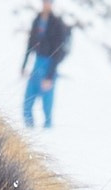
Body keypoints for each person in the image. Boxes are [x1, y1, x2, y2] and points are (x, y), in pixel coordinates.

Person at [20, 0, 70, 128]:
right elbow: (30, 44)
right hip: (37, 62)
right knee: (27, 103)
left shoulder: (57, 23)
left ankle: (47, 133)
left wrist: (49, 76)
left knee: (46, 107)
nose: (46, 4)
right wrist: (24, 65)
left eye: (49, 2)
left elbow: (58, 52)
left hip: (49, 64)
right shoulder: (37, 20)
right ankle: (29, 131)